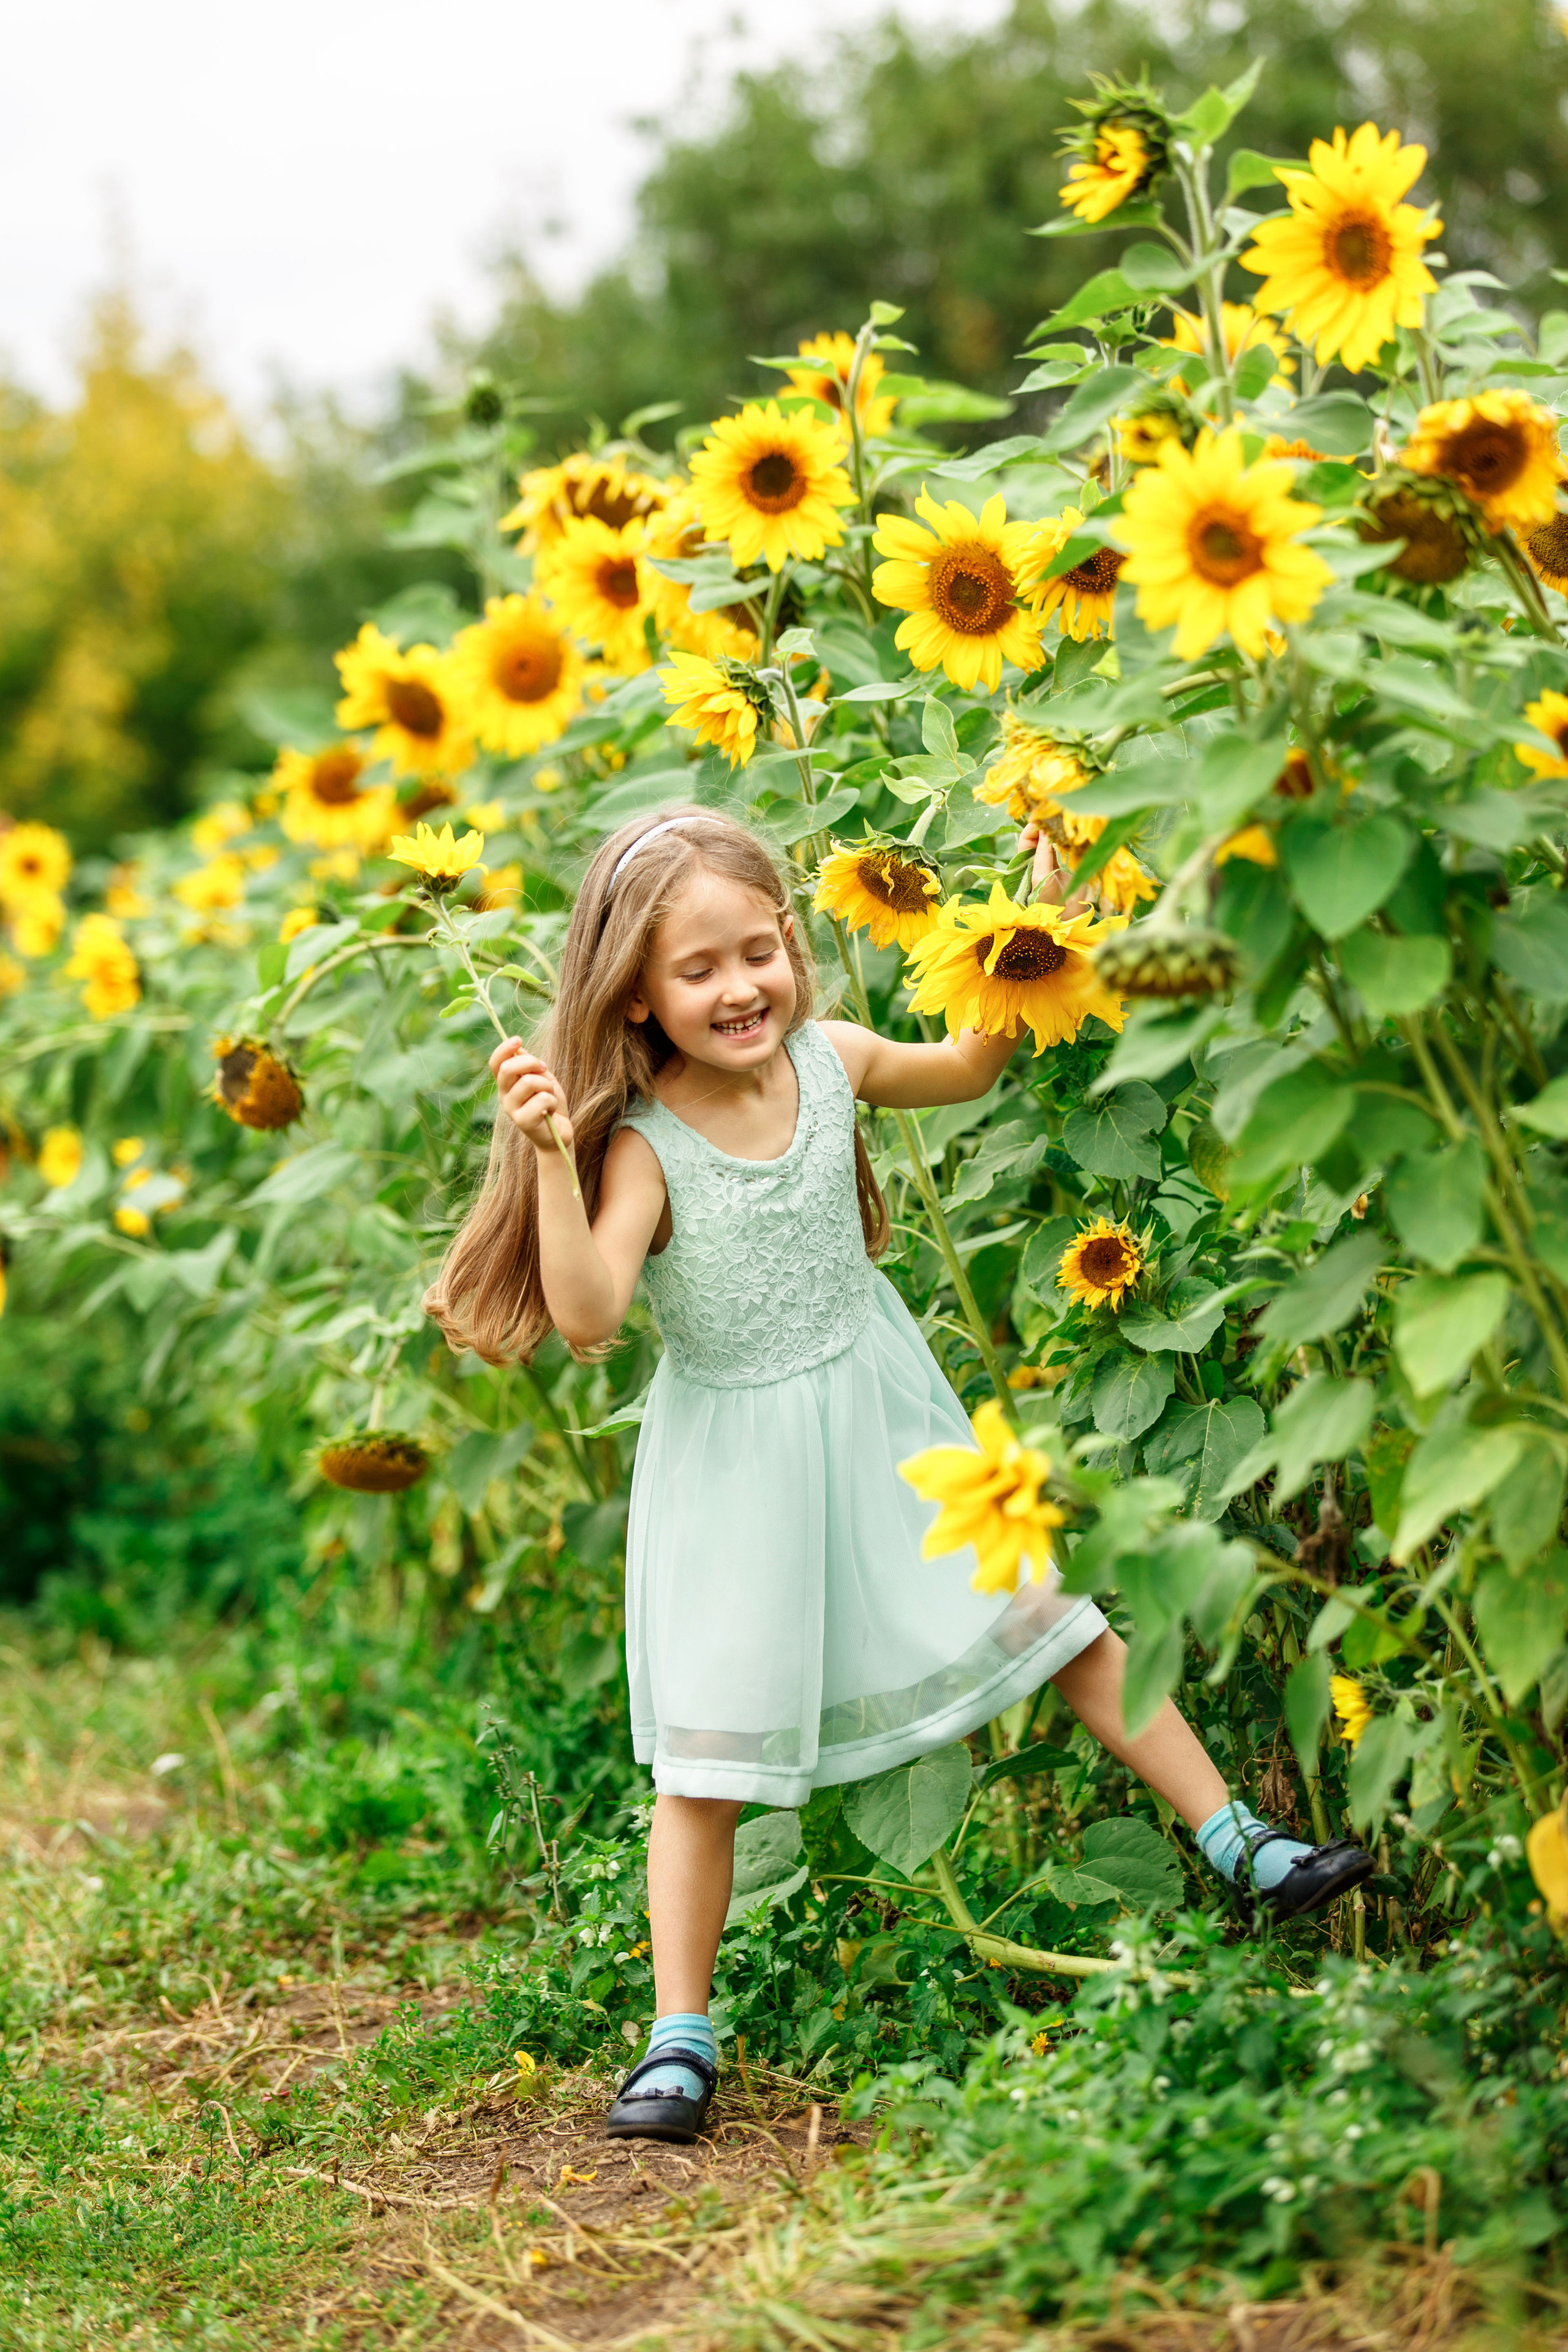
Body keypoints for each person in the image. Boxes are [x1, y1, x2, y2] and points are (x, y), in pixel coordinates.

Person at [424, 806, 1373, 2144]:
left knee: (1057, 1625)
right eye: (695, 972)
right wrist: (546, 1162)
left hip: (882, 1419)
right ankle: (677, 2036)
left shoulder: (834, 1060)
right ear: (633, 992)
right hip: (740, 1467)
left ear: (791, 943)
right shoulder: (641, 1146)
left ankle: (1240, 1843)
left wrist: (1031, 921)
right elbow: (585, 1320)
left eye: (756, 951)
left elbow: (974, 1063)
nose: (738, 988)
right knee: (705, 1759)